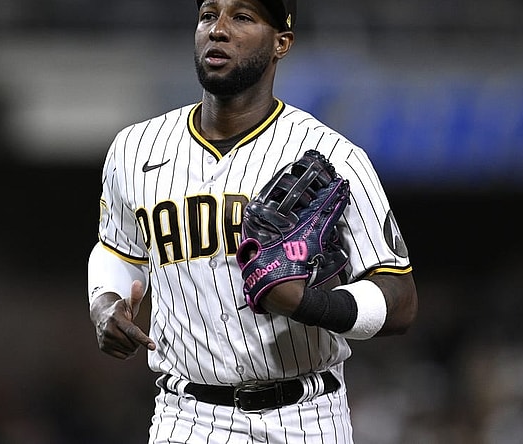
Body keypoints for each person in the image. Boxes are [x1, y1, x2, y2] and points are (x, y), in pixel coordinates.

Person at [87, 0, 418, 442]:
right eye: (208, 15)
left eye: (242, 17)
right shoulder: (134, 149)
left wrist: (307, 303)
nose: (218, 30)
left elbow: (400, 300)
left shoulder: (333, 156)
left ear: (282, 42)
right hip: (186, 417)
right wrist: (105, 305)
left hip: (305, 417)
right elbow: (118, 251)